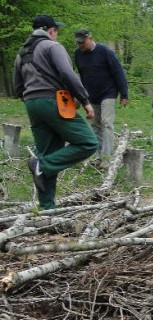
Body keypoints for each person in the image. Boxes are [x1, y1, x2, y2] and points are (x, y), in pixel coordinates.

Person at [13, 15, 98, 209]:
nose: (56, 34)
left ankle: (46, 210)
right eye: (56, 30)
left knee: (48, 152)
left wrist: (32, 100)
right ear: (50, 30)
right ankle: (41, 166)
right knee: (88, 142)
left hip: (31, 104)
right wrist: (85, 100)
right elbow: (68, 74)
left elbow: (17, 86)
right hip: (54, 101)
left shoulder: (22, 52)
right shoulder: (53, 46)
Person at [73, 29, 129, 167]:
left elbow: (118, 71)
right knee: (95, 124)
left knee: (106, 123)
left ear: (90, 38)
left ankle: (106, 158)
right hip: (91, 94)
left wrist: (124, 93)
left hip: (108, 92)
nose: (81, 45)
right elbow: (80, 77)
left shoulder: (105, 51)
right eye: (78, 43)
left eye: (83, 42)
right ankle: (98, 156)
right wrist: (79, 97)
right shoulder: (78, 54)